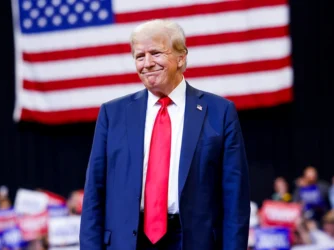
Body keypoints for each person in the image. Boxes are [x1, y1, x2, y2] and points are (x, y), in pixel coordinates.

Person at [80, 19, 250, 250]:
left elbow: (235, 199)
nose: (147, 63)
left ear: (181, 57)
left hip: (193, 241)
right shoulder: (112, 114)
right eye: (140, 56)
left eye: (156, 53)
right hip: (128, 242)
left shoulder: (220, 112)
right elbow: (94, 195)